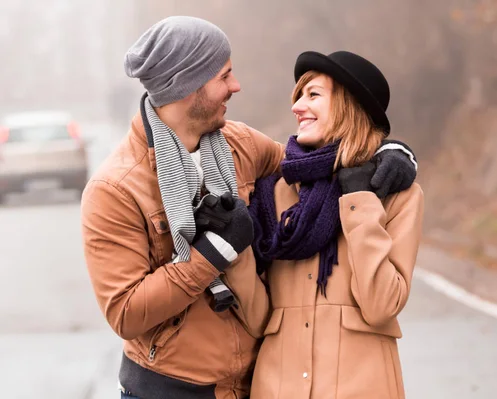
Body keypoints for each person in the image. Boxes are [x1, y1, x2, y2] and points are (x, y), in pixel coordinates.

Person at [81, 17, 418, 399]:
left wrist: (389, 150)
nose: (235, 86)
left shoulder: (241, 145)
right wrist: (214, 253)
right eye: (224, 76)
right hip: (173, 390)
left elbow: (313, 161)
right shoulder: (116, 188)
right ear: (188, 84)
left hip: (253, 385)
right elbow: (125, 313)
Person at [247, 51, 424, 399]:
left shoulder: (398, 195)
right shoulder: (273, 195)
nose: (297, 106)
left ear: (349, 105)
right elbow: (255, 319)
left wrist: (359, 200)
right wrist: (236, 246)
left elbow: (381, 305)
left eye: (312, 95)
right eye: (298, 96)